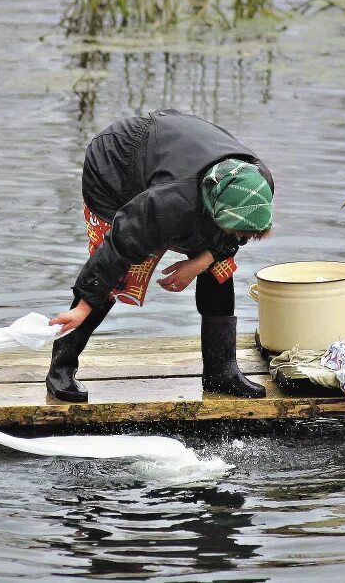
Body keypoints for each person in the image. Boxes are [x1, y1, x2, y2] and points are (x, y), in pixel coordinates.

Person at [48, 109, 274, 401]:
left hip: (171, 154)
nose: (238, 238)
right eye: (232, 231)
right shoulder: (171, 202)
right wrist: (83, 306)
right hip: (114, 164)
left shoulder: (259, 182)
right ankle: (61, 368)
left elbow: (232, 237)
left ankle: (221, 371)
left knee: (219, 268)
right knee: (118, 274)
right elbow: (116, 248)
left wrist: (201, 261)